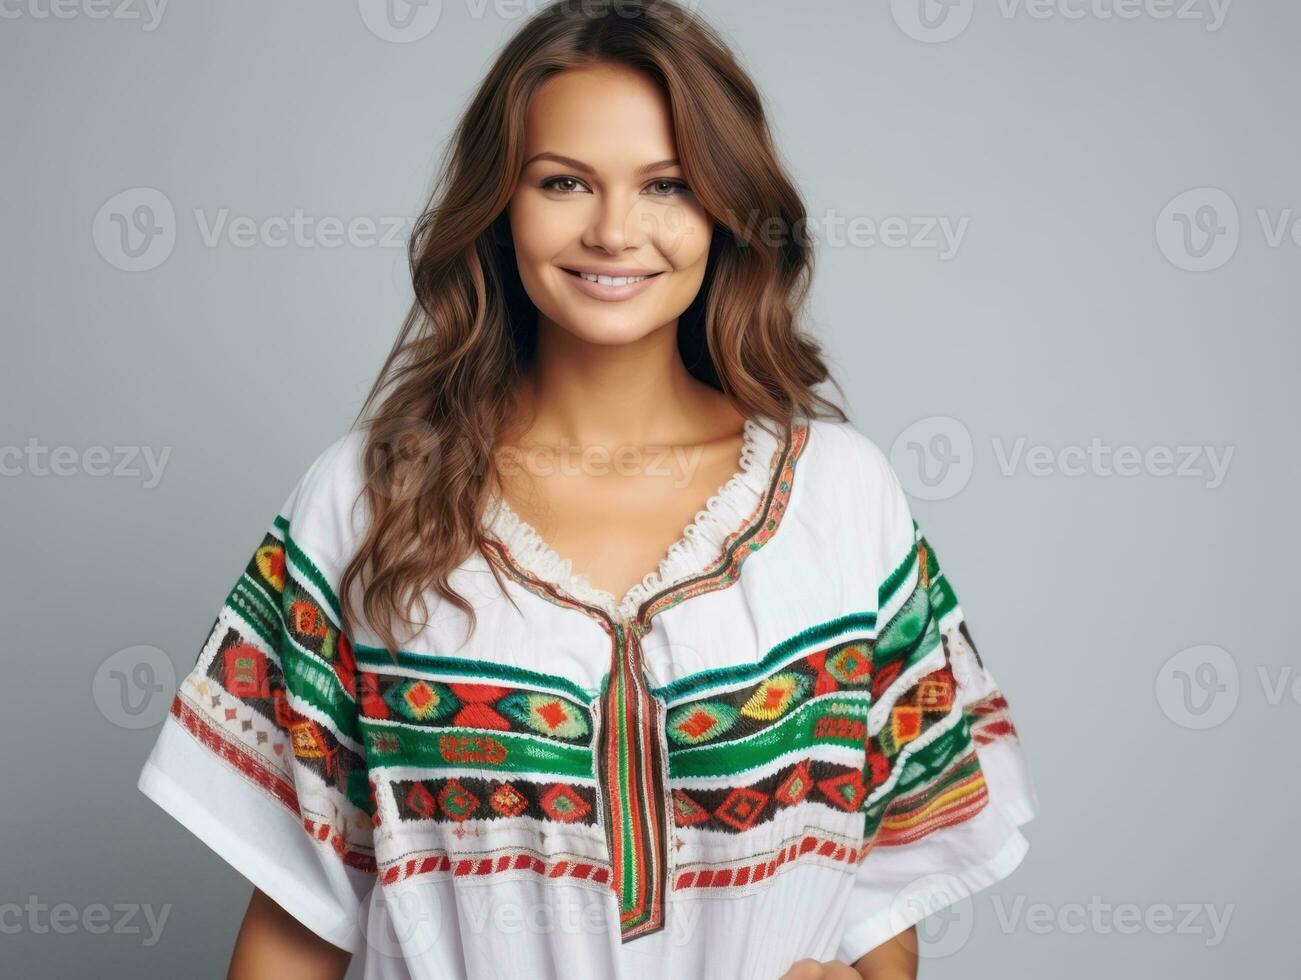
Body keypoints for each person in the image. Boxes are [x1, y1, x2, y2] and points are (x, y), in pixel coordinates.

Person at [135, 2, 1038, 977]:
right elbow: (297, 910)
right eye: (563, 181)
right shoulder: (366, 496)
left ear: (726, 210)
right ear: (499, 204)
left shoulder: (841, 495)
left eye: (667, 185)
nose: (614, 229)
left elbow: (876, 899)